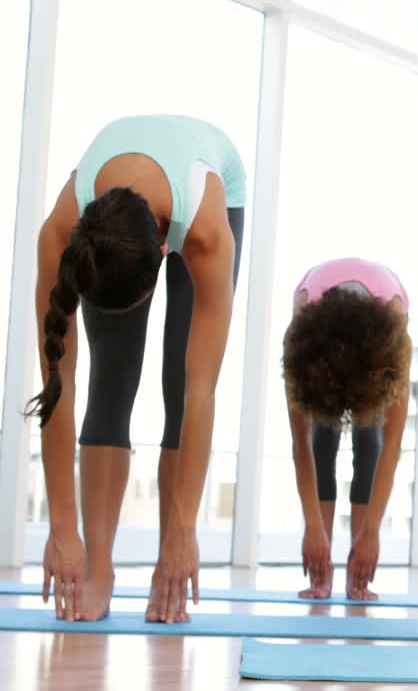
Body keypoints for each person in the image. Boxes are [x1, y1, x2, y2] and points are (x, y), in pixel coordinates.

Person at [27, 114, 245, 623]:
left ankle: (167, 565)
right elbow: (58, 385)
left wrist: (185, 530)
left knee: (180, 383)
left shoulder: (208, 234)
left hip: (210, 180)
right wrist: (61, 528)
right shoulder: (61, 234)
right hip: (121, 210)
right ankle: (98, 569)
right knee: (112, 381)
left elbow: (202, 394)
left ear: (166, 249)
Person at [283, 258, 413, 601]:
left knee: (369, 440)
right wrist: (312, 527)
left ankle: (359, 575)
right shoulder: (300, 335)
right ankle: (321, 572)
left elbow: (393, 444)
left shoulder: (394, 335)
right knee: (321, 440)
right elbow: (301, 444)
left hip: (375, 344)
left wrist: (371, 533)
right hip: (321, 342)